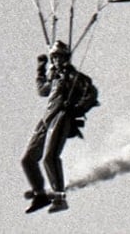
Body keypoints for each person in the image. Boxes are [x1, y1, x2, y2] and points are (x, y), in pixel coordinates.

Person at [21, 40, 99, 214]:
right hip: (46, 120)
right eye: (54, 57)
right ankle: (40, 195)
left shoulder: (73, 76)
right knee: (28, 159)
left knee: (50, 157)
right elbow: (42, 90)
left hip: (62, 117)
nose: (56, 60)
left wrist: (77, 107)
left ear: (66, 58)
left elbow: (91, 93)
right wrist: (41, 69)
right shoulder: (55, 78)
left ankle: (60, 198)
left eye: (59, 57)